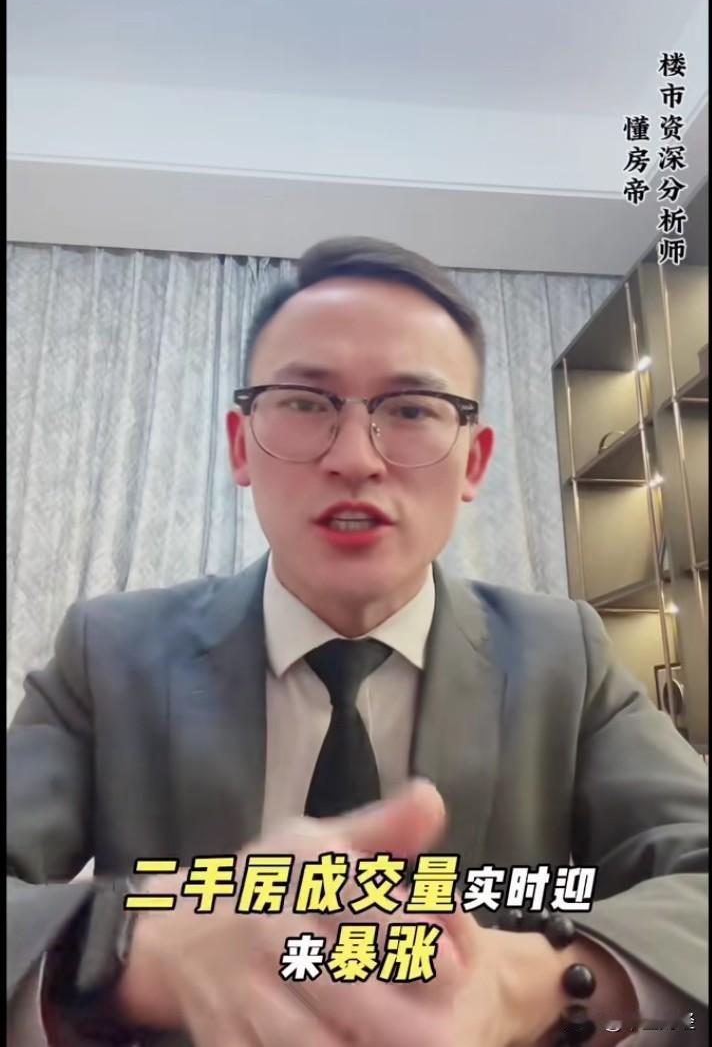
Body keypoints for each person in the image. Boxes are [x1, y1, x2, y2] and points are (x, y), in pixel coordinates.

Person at [7, 237, 708, 1047]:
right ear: (240, 444)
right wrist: (137, 957)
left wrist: (539, 982)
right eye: (306, 403)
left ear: (474, 462)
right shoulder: (108, 651)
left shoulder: (564, 657)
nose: (354, 459)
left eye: (410, 410)